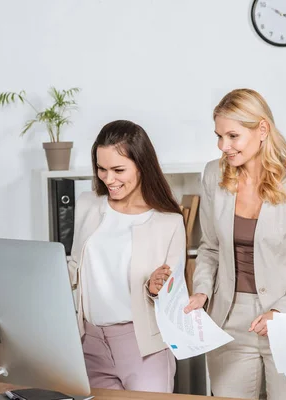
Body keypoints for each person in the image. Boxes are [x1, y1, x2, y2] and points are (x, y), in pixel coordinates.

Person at [184, 88, 286, 399]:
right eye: (219, 136)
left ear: (262, 130)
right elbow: (210, 248)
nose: (223, 146)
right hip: (228, 318)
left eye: (232, 136)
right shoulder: (214, 175)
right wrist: (201, 290)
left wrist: (280, 311)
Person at [67, 120, 185, 392]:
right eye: (101, 169)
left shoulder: (168, 221)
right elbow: (75, 267)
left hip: (143, 347)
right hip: (89, 343)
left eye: (118, 170)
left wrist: (156, 288)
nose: (109, 179)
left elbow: (173, 294)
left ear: (142, 165)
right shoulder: (87, 204)